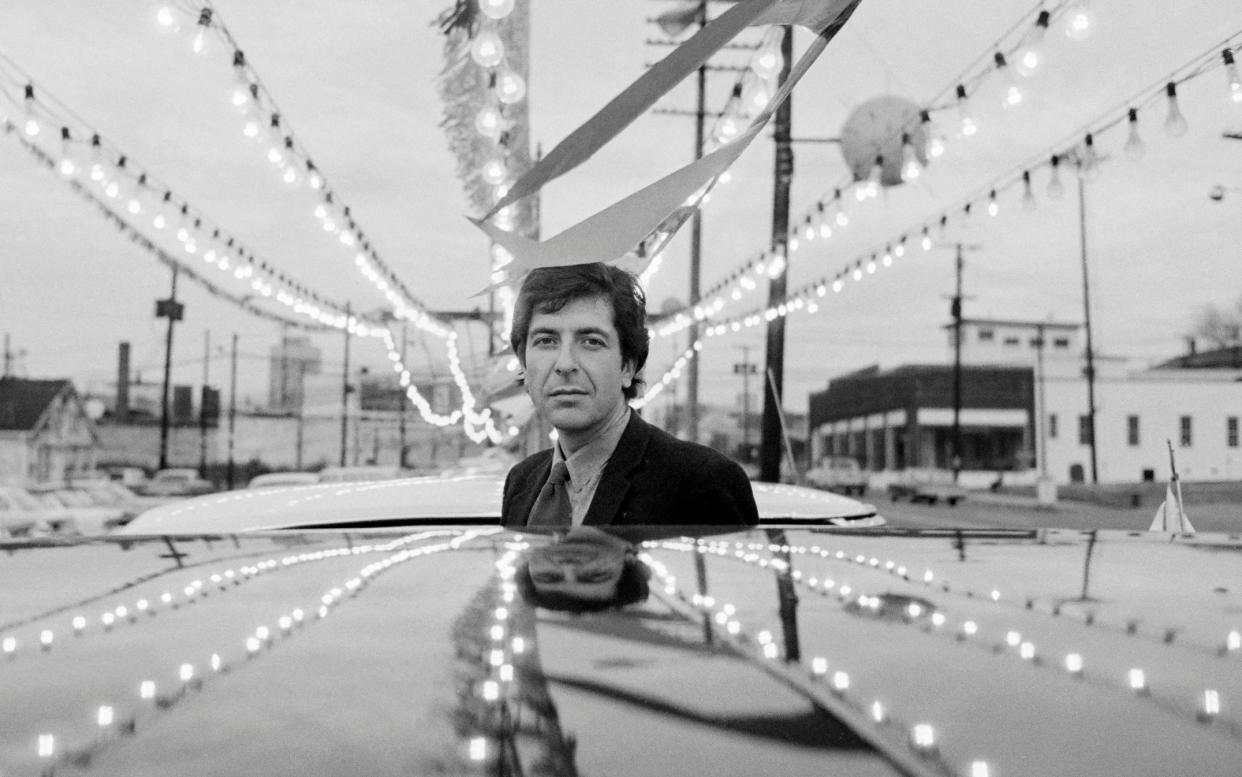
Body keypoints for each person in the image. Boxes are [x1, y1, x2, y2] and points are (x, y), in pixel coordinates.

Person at [501, 262, 759, 527]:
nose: (565, 364)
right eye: (546, 341)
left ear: (628, 366)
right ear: (523, 363)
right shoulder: (522, 482)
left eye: (591, 341)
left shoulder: (702, 482)